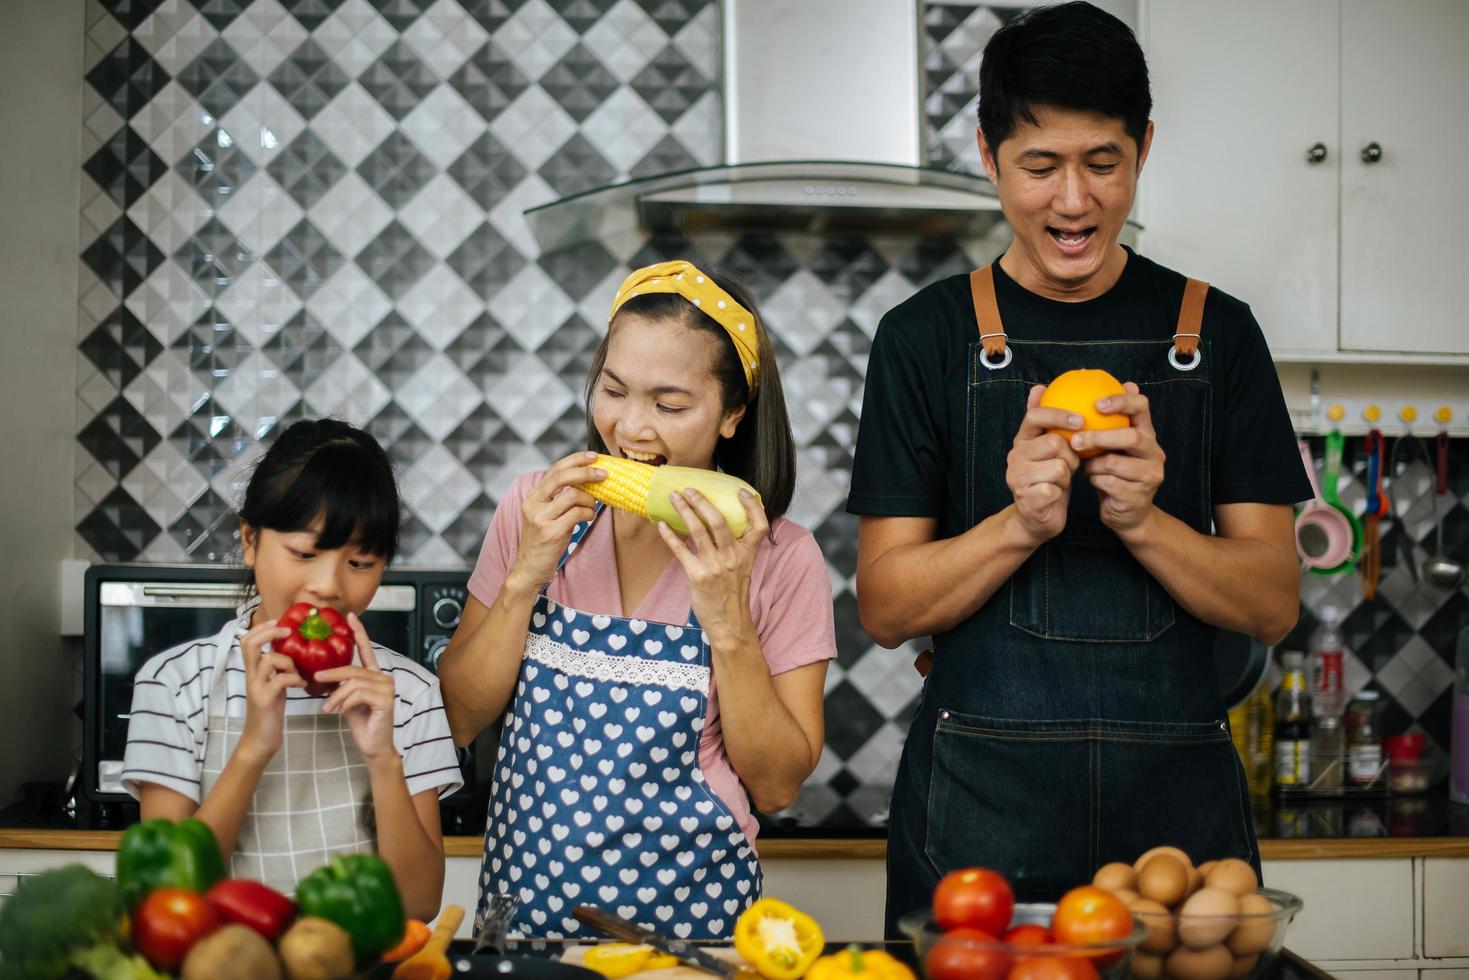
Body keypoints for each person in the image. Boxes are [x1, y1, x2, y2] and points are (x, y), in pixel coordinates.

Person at [847, 2, 1311, 934]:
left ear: (1143, 149)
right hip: (977, 811)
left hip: (1175, 823)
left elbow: (1271, 602)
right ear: (987, 156)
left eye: (1102, 164)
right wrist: (1018, 523)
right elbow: (887, 607)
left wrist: (1145, 519)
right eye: (1039, 166)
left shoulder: (1218, 335)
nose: (1072, 201)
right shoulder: (922, 339)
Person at [438, 260, 835, 939]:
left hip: (695, 930)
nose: (630, 429)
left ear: (734, 414)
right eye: (613, 391)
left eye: (670, 405)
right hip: (524, 918)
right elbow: (456, 721)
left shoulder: (779, 556)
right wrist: (522, 578)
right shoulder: (536, 510)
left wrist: (727, 622)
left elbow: (776, 787)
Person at [121, 419, 461, 919]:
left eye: (361, 562)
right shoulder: (175, 684)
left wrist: (383, 758)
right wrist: (255, 745)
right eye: (304, 552)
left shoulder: (409, 693)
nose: (328, 584)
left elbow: (418, 903)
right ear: (250, 539)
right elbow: (168, 898)